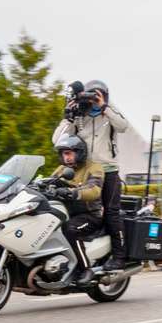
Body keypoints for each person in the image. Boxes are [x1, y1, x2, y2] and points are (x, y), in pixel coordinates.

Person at [52, 79, 129, 271]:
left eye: (96, 96)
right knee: (76, 210)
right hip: (85, 170)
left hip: (108, 170)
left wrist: (104, 106)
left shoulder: (109, 112)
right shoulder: (80, 115)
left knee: (111, 213)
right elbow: (57, 140)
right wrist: (69, 116)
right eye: (89, 96)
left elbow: (123, 126)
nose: (92, 101)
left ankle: (119, 257)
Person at [51, 134, 104, 285]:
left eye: (69, 153)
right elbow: (49, 181)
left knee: (70, 229)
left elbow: (94, 190)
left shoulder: (94, 168)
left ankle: (86, 269)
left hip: (90, 215)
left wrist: (73, 192)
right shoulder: (62, 169)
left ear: (79, 152)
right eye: (63, 154)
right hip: (68, 213)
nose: (66, 157)